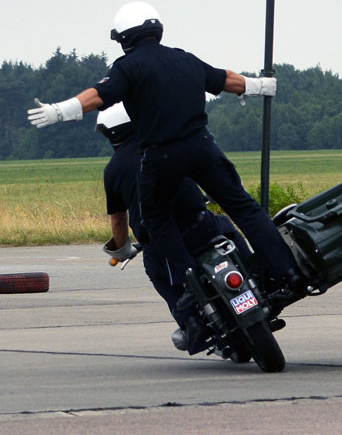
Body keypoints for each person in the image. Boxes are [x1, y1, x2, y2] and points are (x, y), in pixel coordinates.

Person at [27, 1, 306, 338]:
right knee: (243, 206)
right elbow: (225, 79)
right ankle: (288, 271)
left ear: (125, 38)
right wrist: (259, 86)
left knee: (157, 221)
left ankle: (189, 287)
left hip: (162, 156)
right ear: (157, 30)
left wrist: (60, 110)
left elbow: (98, 95)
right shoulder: (184, 59)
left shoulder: (128, 67)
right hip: (202, 147)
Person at [96, 101, 252, 353]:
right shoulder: (168, 144)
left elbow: (118, 220)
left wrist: (122, 249)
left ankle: (190, 322)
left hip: (163, 244)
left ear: (112, 134)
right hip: (201, 225)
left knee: (156, 271)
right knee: (226, 226)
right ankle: (256, 273)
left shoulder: (113, 170)